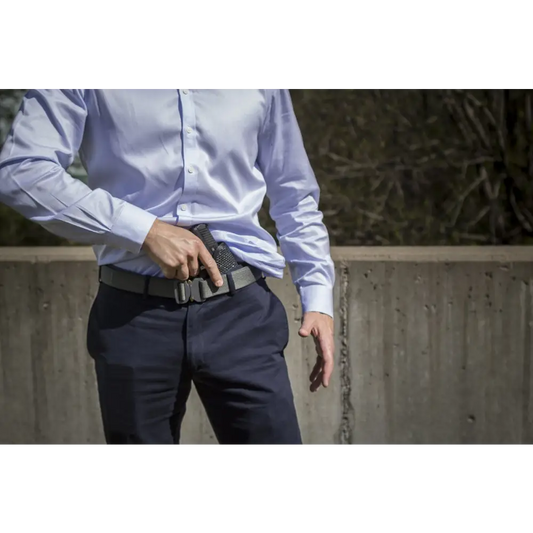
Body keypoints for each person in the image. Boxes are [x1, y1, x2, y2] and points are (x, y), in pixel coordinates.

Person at [0, 86, 335, 447]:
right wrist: (144, 231)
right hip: (134, 318)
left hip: (242, 312)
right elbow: (22, 171)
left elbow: (294, 193)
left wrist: (317, 296)